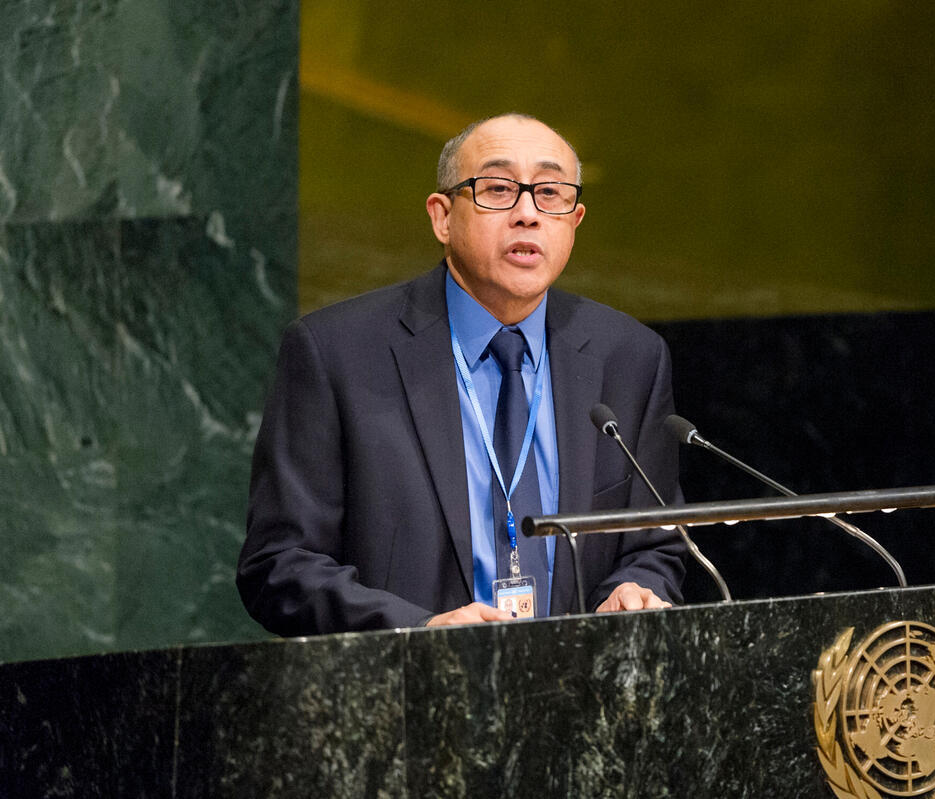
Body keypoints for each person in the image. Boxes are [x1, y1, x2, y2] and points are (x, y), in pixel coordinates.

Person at [237, 113, 685, 632]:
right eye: (498, 189)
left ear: (575, 220)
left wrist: (633, 590)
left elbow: (654, 545)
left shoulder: (629, 357)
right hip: (412, 678)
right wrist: (422, 632)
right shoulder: (336, 352)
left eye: (550, 193)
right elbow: (280, 565)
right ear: (442, 217)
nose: (527, 214)